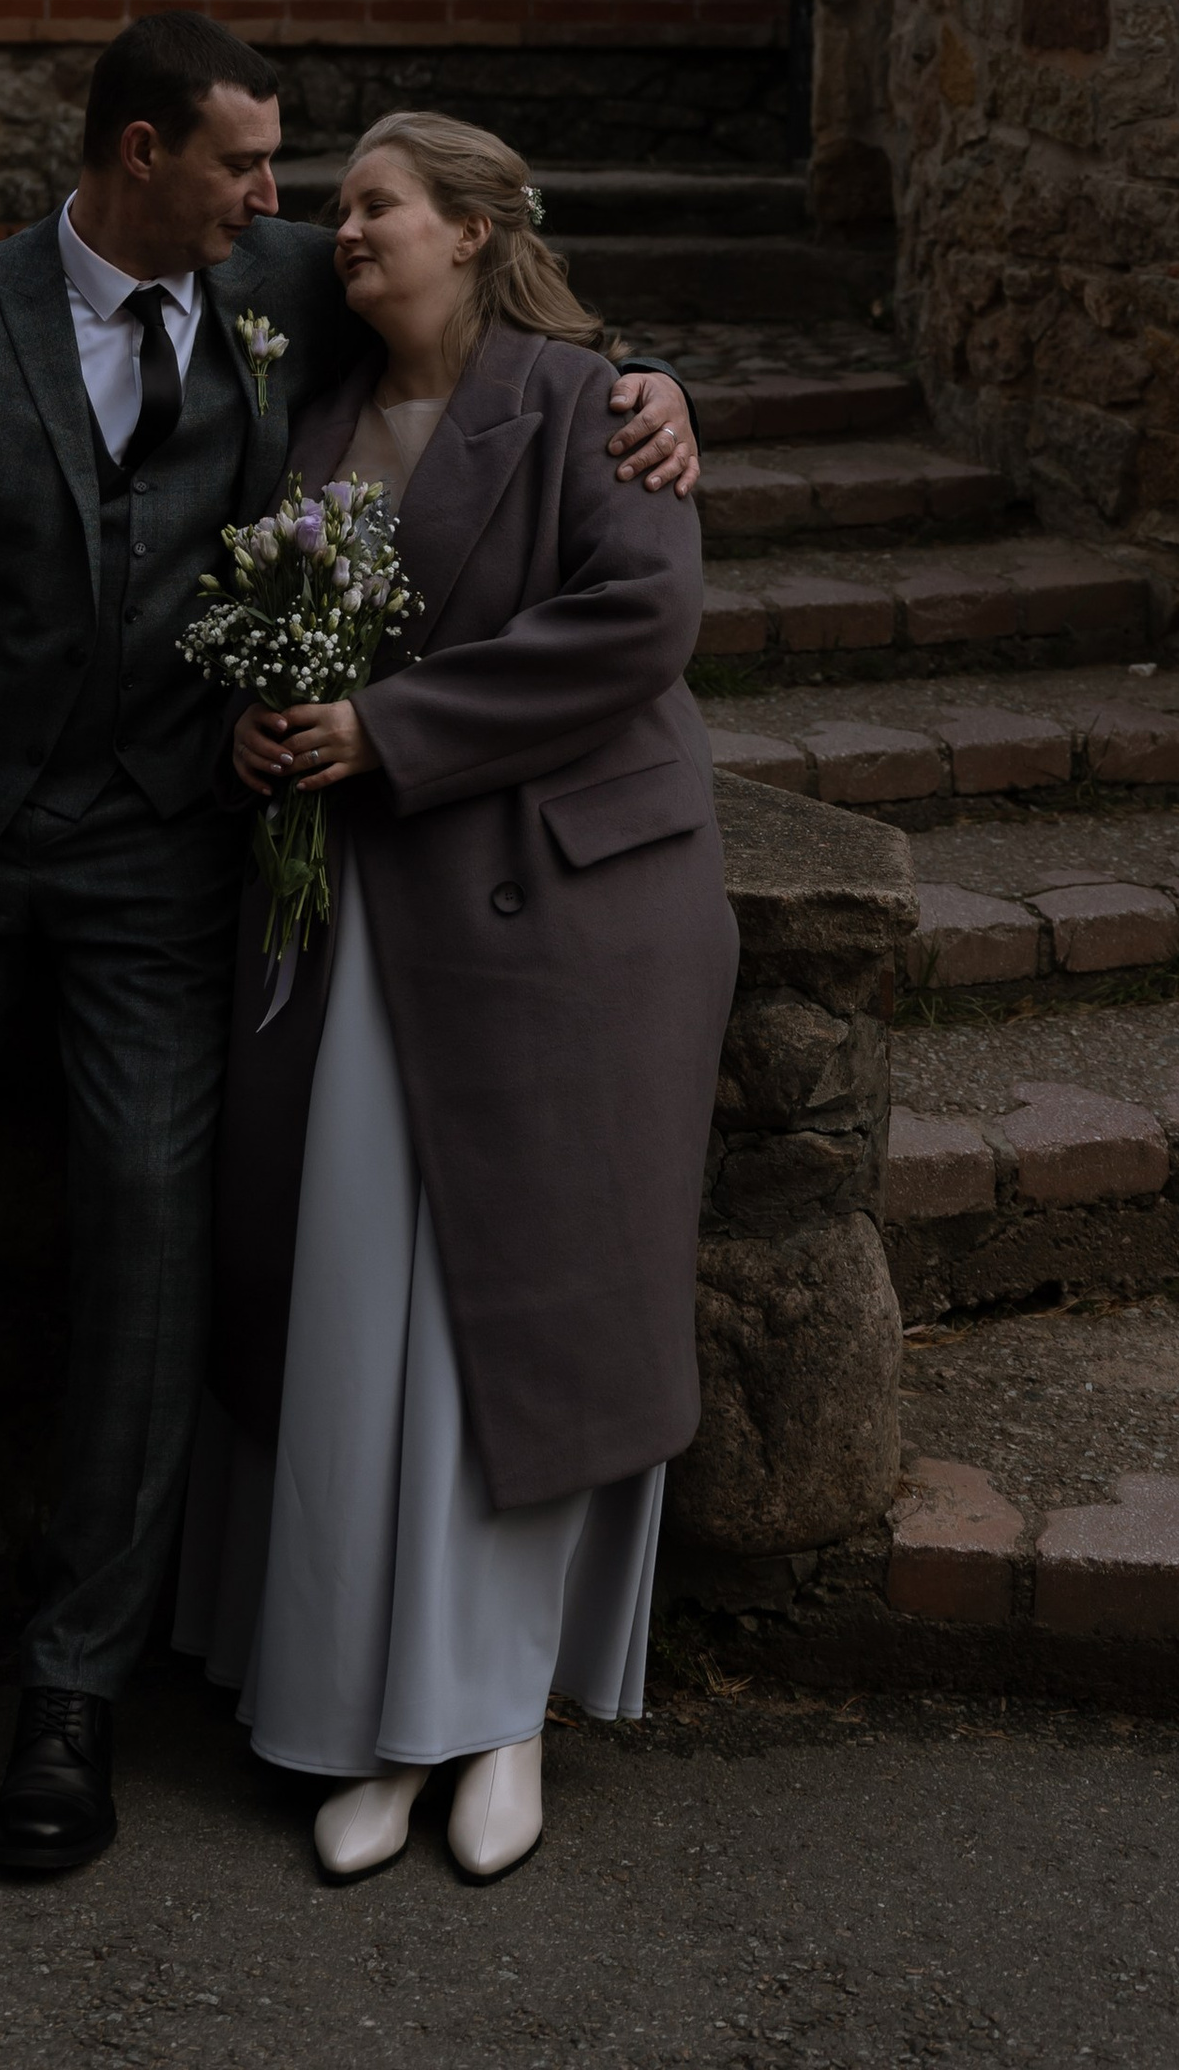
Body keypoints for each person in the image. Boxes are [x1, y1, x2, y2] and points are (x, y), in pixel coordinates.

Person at [0, 15, 698, 1877]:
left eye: (305, 180)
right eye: (251, 165)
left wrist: (658, 376)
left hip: (169, 874)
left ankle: (79, 1688)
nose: (286, 202)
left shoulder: (280, 293)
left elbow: (499, 329)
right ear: (144, 149)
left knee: (153, 1263)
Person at [175, 113, 736, 1883]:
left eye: (377, 206)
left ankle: (502, 1718)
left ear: (479, 231)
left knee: (525, 1320)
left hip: (567, 932)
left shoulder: (591, 400)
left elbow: (641, 622)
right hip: (353, 928)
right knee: (362, 1310)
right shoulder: (307, 412)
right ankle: (366, 1719)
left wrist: (388, 731)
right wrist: (255, 728)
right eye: (331, 206)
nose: (342, 230)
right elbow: (247, 627)